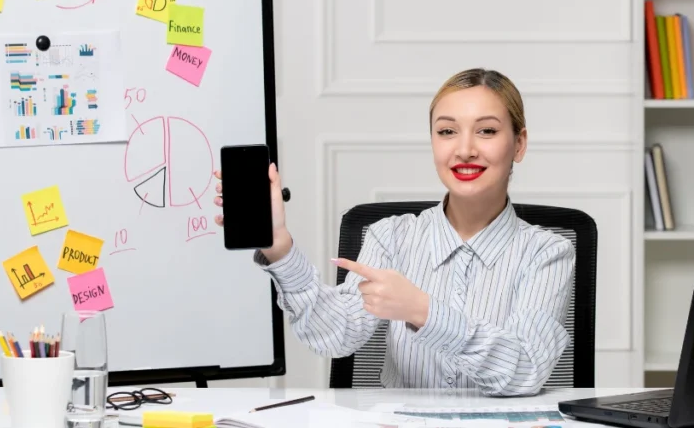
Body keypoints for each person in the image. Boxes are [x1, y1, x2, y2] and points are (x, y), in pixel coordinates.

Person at [213, 68, 575, 396]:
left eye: (487, 131)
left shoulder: (548, 252)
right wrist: (280, 248)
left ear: (519, 144)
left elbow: (525, 370)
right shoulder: (391, 238)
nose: (465, 150)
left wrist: (424, 311)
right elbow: (335, 335)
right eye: (447, 131)